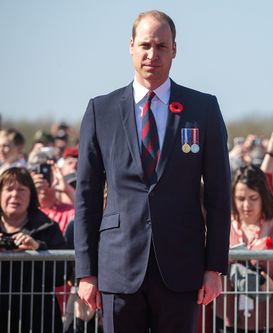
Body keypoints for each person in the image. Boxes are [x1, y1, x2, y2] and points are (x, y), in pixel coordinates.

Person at [75, 10, 231, 333]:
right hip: (118, 269)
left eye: (161, 46)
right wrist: (86, 272)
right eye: (145, 45)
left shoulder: (202, 108)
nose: (152, 54)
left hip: (181, 268)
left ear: (174, 50)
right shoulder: (100, 111)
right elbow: (86, 196)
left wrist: (214, 267)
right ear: (131, 46)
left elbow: (219, 195)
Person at [215, 165, 273, 332]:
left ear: (263, 196)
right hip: (228, 319)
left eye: (253, 198)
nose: (246, 205)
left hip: (272, 319)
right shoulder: (223, 223)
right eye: (240, 198)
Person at [0, 167, 67, 333]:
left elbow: (62, 276)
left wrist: (38, 249)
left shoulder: (47, 228)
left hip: (36, 318)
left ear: (31, 196)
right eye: (9, 189)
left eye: (22, 190)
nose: (15, 195)